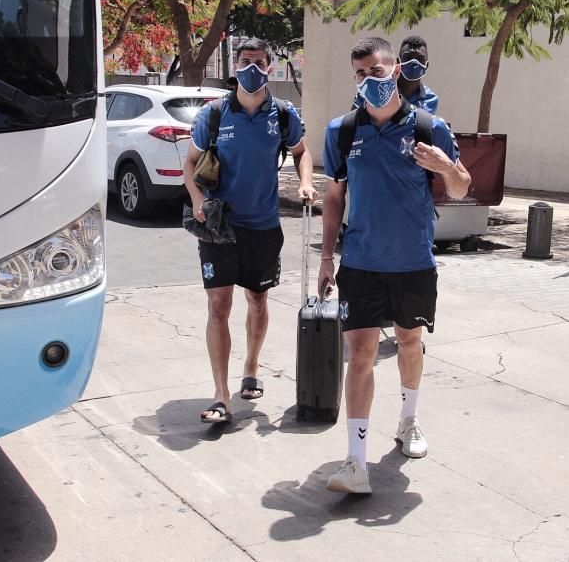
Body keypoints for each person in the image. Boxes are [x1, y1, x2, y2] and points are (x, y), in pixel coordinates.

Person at [318, 36, 471, 494]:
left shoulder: (428, 127)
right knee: (360, 354)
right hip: (361, 262)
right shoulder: (341, 131)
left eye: (377, 72)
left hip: (412, 262)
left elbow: (462, 188)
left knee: (409, 342)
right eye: (361, 74)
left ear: (397, 72)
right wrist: (327, 255)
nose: (369, 81)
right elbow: (333, 196)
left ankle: (408, 421)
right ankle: (355, 462)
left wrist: (446, 166)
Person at [183, 38, 316, 424]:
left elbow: (302, 152)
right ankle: (221, 394)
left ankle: (252, 367)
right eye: (245, 61)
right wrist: (195, 200)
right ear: (235, 66)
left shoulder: (284, 114)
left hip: (263, 226)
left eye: (259, 62)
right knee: (218, 306)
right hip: (219, 225)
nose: (252, 68)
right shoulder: (214, 114)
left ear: (270, 67)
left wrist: (307, 182)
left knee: (258, 301)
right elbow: (190, 164)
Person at [352, 36, 439, 114]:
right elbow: (352, 124)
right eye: (408, 57)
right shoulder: (373, 90)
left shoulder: (430, 99)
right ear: (398, 62)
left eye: (419, 58)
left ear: (426, 66)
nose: (414, 63)